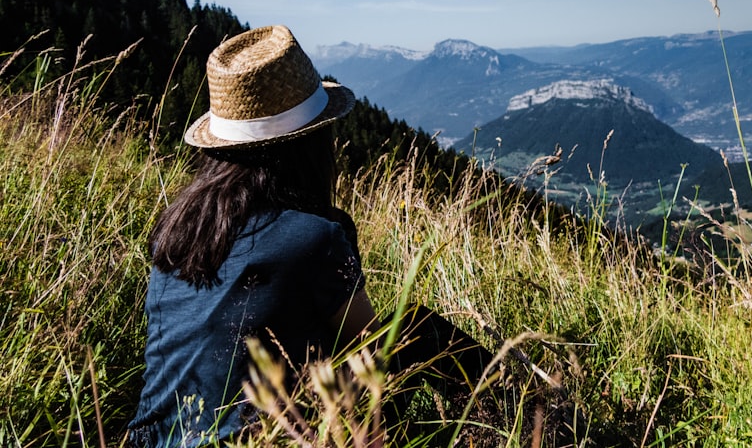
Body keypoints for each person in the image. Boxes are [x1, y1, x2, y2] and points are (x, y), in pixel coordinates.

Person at [128, 25, 494, 447]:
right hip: (258, 440)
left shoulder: (174, 233)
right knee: (417, 329)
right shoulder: (313, 236)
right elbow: (370, 353)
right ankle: (543, 422)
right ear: (311, 141)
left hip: (150, 439)